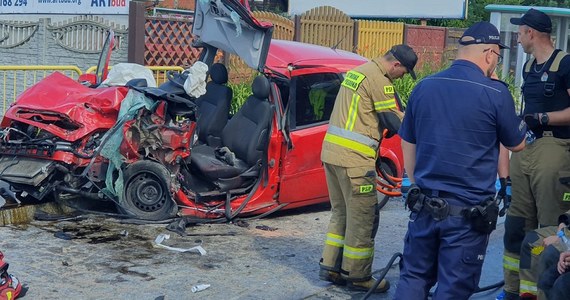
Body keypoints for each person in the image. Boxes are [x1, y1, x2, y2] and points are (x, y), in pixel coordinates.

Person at [393, 21, 527, 300]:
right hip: (467, 217)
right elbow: (517, 143)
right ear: (490, 53)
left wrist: (417, 183)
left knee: (413, 278)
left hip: (424, 208)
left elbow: (408, 140)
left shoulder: (424, 87)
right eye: (497, 57)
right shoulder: (495, 93)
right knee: (453, 288)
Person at [318, 44, 418, 293]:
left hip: (332, 155)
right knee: (363, 218)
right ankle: (358, 274)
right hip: (355, 160)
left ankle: (331, 266)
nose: (402, 77)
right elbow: (393, 121)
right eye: (404, 72)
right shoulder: (380, 80)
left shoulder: (358, 72)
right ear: (395, 65)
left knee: (341, 213)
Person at [501, 8, 570, 300]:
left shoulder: (565, 63)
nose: (517, 37)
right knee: (517, 224)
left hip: (554, 148)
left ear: (531, 33)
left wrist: (542, 118)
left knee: (547, 229)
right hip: (526, 148)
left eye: (519, 32)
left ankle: (540, 291)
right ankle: (513, 289)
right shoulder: (529, 67)